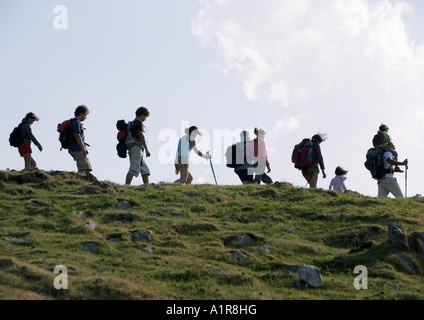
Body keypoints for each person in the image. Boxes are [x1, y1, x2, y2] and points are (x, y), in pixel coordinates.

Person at [125, 107, 151, 185]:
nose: (145, 119)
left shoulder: (131, 123)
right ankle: (126, 186)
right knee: (133, 168)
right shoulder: (138, 122)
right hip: (136, 148)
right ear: (142, 115)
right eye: (145, 117)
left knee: (145, 170)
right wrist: (147, 149)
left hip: (132, 148)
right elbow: (141, 136)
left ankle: (147, 187)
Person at [68, 105, 93, 176]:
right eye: (85, 115)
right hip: (77, 148)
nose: (86, 117)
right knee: (83, 168)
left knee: (88, 167)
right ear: (81, 113)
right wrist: (83, 148)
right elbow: (77, 135)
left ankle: (83, 181)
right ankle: (77, 181)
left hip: (76, 148)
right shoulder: (76, 123)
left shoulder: (75, 122)